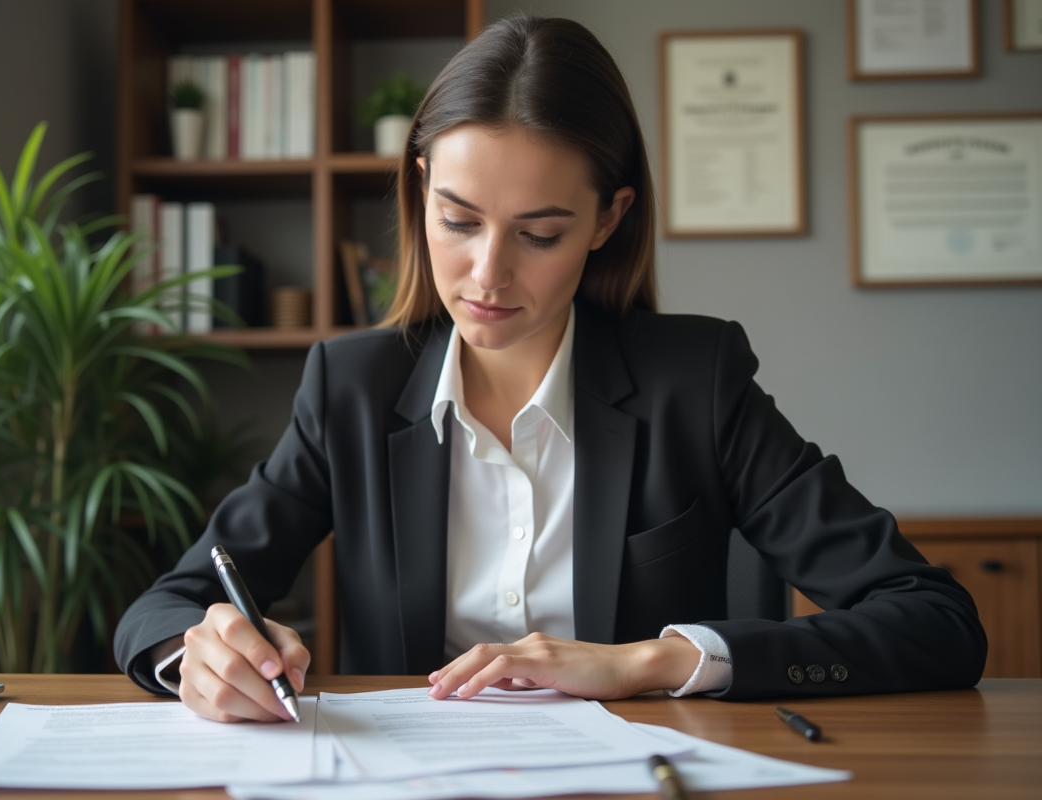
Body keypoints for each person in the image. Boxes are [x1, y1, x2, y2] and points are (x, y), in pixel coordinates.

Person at [114, 15, 986, 723]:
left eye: (539, 234)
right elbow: (170, 604)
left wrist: (655, 660)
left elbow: (937, 622)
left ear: (608, 219)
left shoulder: (697, 380)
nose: (488, 274)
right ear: (420, 190)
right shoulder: (352, 388)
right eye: (458, 220)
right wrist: (199, 653)